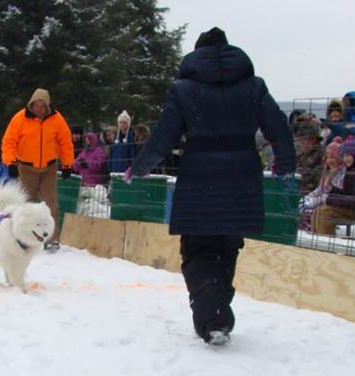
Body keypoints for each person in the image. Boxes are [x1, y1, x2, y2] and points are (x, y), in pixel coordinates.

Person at [126, 27, 295, 345]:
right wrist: (285, 164)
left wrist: (139, 167)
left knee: (198, 250)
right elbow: (279, 128)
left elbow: (164, 136)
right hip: (242, 176)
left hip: (199, 177)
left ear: (197, 55)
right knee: (228, 244)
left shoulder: (184, 89)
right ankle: (217, 314)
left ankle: (212, 318)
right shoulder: (253, 87)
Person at [1, 88, 74, 251]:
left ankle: (52, 238)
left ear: (47, 106)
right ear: (31, 104)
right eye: (36, 105)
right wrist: (11, 163)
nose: (39, 109)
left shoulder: (57, 119)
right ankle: (22, 236)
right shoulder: (20, 118)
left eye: (42, 106)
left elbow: (65, 142)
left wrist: (67, 164)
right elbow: (9, 142)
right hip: (26, 167)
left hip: (49, 167)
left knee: (51, 204)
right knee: (25, 204)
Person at [312, 136, 355, 236]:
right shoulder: (352, 170)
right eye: (343, 156)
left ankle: (326, 244)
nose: (345, 159)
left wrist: (331, 200)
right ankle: (317, 242)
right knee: (318, 211)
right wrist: (333, 190)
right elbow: (349, 193)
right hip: (353, 207)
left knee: (325, 213)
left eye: (348, 156)